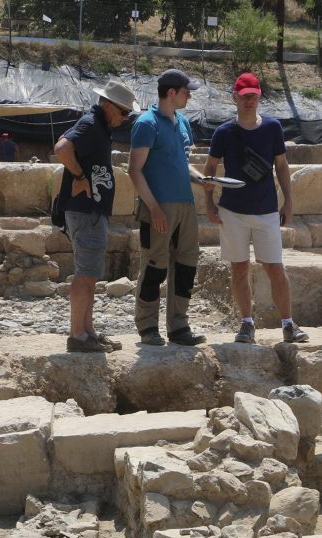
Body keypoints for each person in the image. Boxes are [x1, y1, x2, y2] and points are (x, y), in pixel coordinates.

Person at [203, 72, 309, 345]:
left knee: (275, 267)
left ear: (259, 97)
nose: (249, 100)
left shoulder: (272, 128)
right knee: (239, 268)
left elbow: (282, 165)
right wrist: (209, 204)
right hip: (233, 212)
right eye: (244, 95)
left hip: (265, 210)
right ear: (235, 97)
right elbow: (210, 169)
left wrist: (289, 201)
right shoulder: (223, 132)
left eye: (253, 96)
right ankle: (246, 323)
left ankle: (288, 323)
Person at [54, 81, 139, 353]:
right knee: (85, 274)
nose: (125, 118)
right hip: (85, 210)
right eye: (123, 112)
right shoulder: (91, 124)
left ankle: (87, 332)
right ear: (107, 105)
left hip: (91, 211)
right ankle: (77, 335)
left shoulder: (98, 126)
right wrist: (79, 177)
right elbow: (62, 148)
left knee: (90, 274)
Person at [129, 69, 209, 347]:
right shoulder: (146, 123)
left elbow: (182, 162)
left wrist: (202, 179)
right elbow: (135, 170)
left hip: (186, 206)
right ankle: (148, 327)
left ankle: (179, 326)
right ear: (171, 92)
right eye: (187, 91)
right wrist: (154, 208)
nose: (190, 96)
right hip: (158, 207)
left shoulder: (184, 122)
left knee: (186, 266)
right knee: (154, 266)